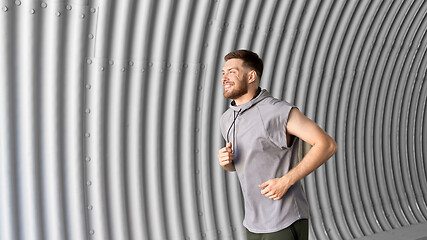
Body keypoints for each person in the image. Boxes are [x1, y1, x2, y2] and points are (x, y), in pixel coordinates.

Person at [218, 49, 337, 240]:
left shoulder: (277, 111)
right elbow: (248, 162)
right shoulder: (226, 119)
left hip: (284, 219)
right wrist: (227, 163)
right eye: (223, 73)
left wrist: (285, 182)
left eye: (232, 71)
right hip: (253, 223)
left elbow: (326, 144)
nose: (225, 77)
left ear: (251, 76)